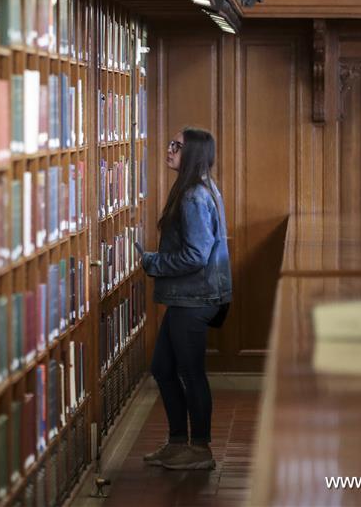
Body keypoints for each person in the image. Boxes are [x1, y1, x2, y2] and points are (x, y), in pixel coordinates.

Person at [136, 127, 232, 470]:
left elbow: (195, 255)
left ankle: (200, 449)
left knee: (191, 373)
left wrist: (152, 262)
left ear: (192, 154)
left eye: (177, 146)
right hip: (191, 297)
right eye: (170, 142)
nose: (169, 149)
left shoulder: (193, 196)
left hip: (196, 298)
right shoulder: (199, 187)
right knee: (163, 368)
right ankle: (178, 442)